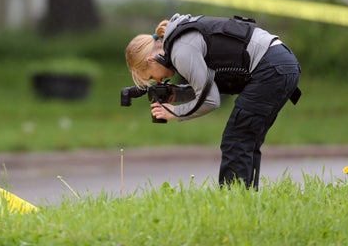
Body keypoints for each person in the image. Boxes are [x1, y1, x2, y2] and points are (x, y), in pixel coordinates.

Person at [124, 13, 301, 189]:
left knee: (236, 139)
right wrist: (176, 95)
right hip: (280, 65)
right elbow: (208, 86)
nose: (159, 81)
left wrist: (174, 112)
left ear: (151, 60)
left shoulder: (180, 51)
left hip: (271, 68)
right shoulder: (179, 40)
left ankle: (234, 201)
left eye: (152, 77)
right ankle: (246, 199)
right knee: (245, 139)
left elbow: (210, 100)